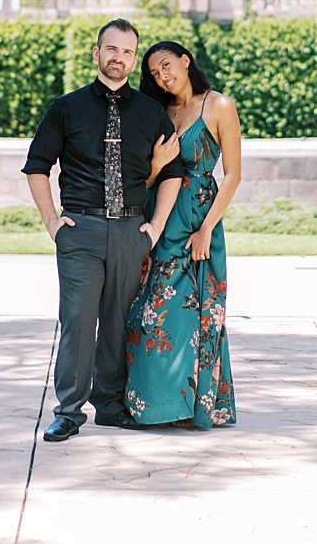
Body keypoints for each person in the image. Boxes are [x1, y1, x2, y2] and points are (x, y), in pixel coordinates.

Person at [23, 19, 185, 443]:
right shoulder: (66, 108)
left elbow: (173, 172)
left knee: (117, 321)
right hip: (81, 230)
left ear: (134, 57)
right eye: (111, 49)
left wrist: (154, 228)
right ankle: (69, 412)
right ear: (97, 54)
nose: (119, 57)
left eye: (128, 51)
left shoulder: (151, 113)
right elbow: (37, 167)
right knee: (77, 321)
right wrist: (53, 224)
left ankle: (110, 407)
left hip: (132, 230)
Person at [124, 39, 241, 429]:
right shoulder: (157, 113)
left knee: (199, 315)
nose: (163, 76)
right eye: (155, 73)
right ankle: (155, 406)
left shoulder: (218, 105)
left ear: (185, 61)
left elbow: (234, 175)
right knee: (150, 313)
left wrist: (207, 228)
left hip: (198, 221)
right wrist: (156, 167)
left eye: (167, 66)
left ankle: (195, 408)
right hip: (159, 215)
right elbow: (146, 176)